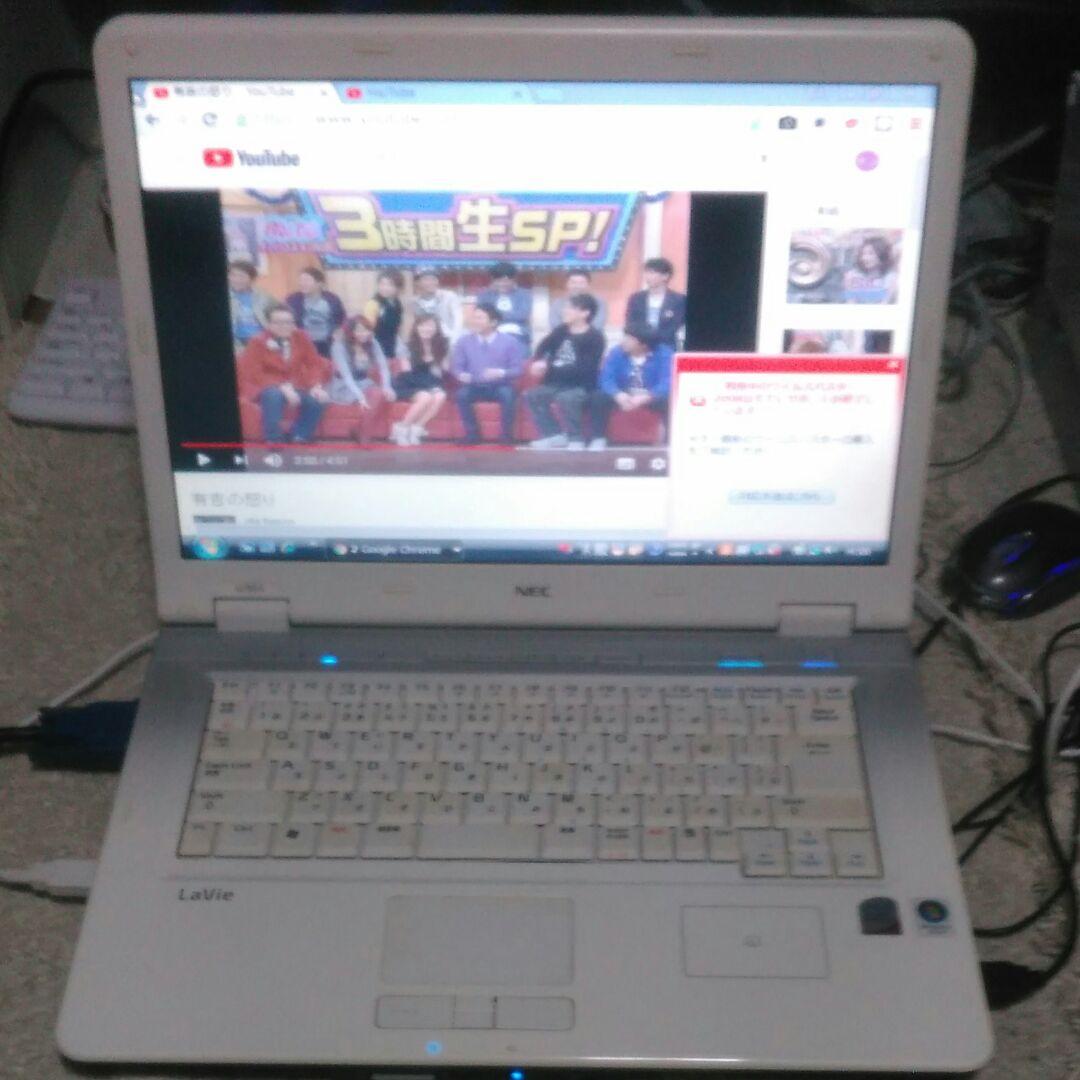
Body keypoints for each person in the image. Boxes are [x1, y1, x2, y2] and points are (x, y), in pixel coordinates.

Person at [237, 305, 332, 443]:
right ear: (269, 324)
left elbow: (314, 363)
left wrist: (316, 386)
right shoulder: (257, 341)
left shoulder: (301, 337)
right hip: (266, 386)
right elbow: (253, 373)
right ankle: (273, 438)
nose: (285, 326)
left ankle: (299, 435)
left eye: (289, 322)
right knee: (273, 395)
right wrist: (281, 387)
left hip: (296, 384)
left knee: (318, 399)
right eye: (279, 322)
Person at [525, 293, 605, 449]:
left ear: (585, 313)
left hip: (580, 385)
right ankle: (553, 435)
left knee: (566, 397)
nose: (565, 311)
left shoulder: (595, 337)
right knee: (533, 395)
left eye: (570, 308)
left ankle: (576, 438)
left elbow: (587, 368)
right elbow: (543, 347)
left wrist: (551, 366)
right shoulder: (561, 330)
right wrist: (539, 361)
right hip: (555, 382)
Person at [450, 302, 525, 445]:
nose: (475, 321)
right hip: (474, 384)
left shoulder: (510, 342)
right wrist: (461, 375)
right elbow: (457, 367)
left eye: (480, 318)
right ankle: (472, 435)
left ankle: (506, 436)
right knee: (462, 394)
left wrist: (501, 373)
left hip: (500, 385)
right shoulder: (464, 341)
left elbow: (518, 369)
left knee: (508, 394)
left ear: (493, 322)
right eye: (474, 318)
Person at [589, 322, 673, 450]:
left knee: (670, 401)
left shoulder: (664, 354)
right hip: (624, 394)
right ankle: (598, 438)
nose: (623, 341)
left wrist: (647, 396)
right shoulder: (617, 352)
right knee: (598, 397)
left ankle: (671, 441)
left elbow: (668, 381)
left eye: (629, 339)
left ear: (643, 344)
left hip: (651, 394)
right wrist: (617, 394)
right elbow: (606, 378)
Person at [390, 313, 449, 446]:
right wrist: (431, 388)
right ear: (416, 327)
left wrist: (444, 355)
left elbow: (441, 372)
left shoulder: (440, 346)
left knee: (440, 396)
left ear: (436, 329)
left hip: (429, 382)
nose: (426, 329)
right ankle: (401, 428)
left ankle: (416, 428)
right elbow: (407, 373)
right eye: (423, 325)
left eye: (430, 326)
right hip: (408, 383)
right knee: (425, 397)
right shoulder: (407, 346)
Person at [329, 314, 394, 408]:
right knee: (367, 400)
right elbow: (347, 376)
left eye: (366, 330)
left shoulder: (372, 343)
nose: (364, 334)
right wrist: (360, 396)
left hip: (363, 382)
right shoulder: (339, 346)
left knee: (382, 395)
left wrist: (386, 387)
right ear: (351, 332)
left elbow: (383, 367)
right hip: (344, 385)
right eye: (359, 330)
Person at [625, 256, 686, 349]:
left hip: (666, 345)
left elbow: (674, 326)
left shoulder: (678, 300)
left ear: (665, 276)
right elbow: (631, 323)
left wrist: (653, 339)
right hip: (639, 346)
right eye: (646, 272)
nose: (647, 276)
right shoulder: (636, 298)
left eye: (652, 272)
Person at [285, 266, 346, 359]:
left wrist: (340, 330)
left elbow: (342, 318)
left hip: (327, 343)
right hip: (302, 343)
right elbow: (285, 318)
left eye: (307, 280)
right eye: (301, 280)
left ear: (319, 283)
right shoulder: (293, 300)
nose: (302, 283)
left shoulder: (332, 299)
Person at [475, 261, 533, 350]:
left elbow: (522, 315)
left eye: (506, 281)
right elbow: (482, 315)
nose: (502, 284)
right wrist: (507, 314)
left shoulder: (524, 295)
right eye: (499, 281)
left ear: (513, 280)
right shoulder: (484, 295)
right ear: (493, 280)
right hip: (491, 331)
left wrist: (495, 315)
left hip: (517, 333)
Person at [227, 260, 275, 351]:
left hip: (262, 341)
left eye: (241, 276)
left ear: (252, 279)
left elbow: (278, 315)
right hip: (236, 343)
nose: (236, 280)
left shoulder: (263, 296)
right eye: (233, 275)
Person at [362, 269, 406, 362]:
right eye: (382, 284)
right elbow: (367, 331)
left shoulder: (397, 303)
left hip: (392, 345)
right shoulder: (373, 304)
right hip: (377, 348)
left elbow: (397, 328)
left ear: (398, 287)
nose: (385, 288)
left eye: (390, 285)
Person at [412, 266, 463, 341]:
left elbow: (459, 320)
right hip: (424, 342)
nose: (431, 282)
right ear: (418, 282)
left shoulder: (449, 297)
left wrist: (454, 339)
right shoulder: (414, 302)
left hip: (448, 339)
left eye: (434, 279)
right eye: (426, 279)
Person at [842, 236, 899, 303]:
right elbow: (850, 303)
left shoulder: (891, 277)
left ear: (882, 254)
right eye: (863, 254)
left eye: (871, 254)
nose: (865, 258)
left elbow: (885, 303)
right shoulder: (852, 275)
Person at [548, 269, 607, 333]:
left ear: (588, 285)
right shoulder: (557, 304)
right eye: (573, 282)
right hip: (563, 337)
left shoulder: (599, 303)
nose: (577, 286)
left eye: (581, 283)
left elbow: (597, 326)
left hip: (592, 338)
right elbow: (555, 327)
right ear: (567, 284)